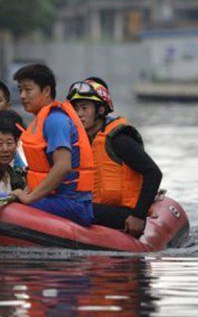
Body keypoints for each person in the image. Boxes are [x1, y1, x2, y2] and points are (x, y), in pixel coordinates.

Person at [67, 77, 163, 237]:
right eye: (75, 109)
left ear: (101, 110)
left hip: (125, 213)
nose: (79, 114)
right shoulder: (81, 142)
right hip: (98, 208)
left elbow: (153, 173)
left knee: (71, 207)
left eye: (85, 108)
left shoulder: (119, 140)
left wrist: (138, 216)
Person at [10, 64, 95, 227]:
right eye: (20, 90)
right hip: (56, 199)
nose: (22, 95)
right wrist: (25, 192)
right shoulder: (40, 120)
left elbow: (63, 167)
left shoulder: (55, 120)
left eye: (28, 90)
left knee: (8, 207)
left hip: (72, 204)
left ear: (46, 91)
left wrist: (29, 198)